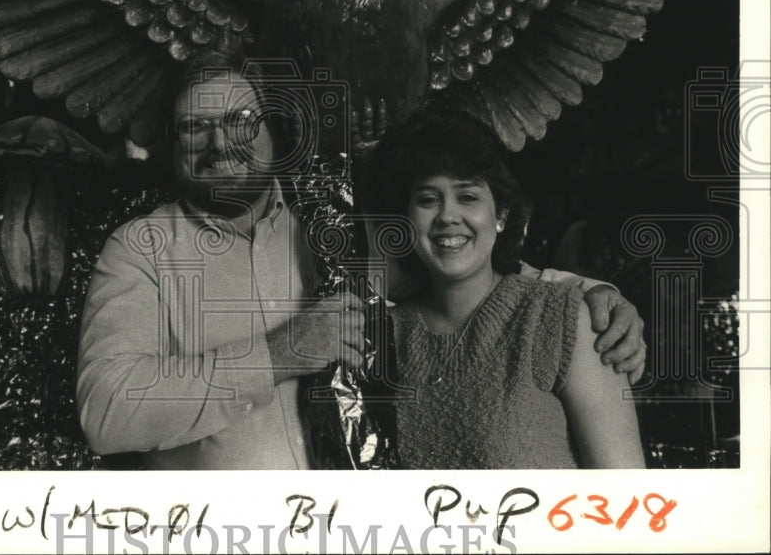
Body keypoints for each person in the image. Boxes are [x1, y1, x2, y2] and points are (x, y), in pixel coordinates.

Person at [76, 55, 646, 469]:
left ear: (276, 136)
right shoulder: (138, 250)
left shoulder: (337, 232)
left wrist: (587, 293)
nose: (220, 143)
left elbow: (460, 260)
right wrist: (282, 352)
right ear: (171, 146)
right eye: (194, 127)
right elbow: (106, 412)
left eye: (241, 122)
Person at [371, 110, 645, 468]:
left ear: (501, 215)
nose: (447, 216)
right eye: (427, 199)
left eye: (467, 196)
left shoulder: (564, 320)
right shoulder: (380, 339)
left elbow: (626, 495)